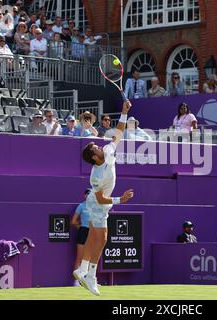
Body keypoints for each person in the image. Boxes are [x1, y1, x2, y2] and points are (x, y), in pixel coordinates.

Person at [75, 100, 135, 296]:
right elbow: (101, 200)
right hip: (98, 203)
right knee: (102, 240)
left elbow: (118, 132)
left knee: (94, 237)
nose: (99, 146)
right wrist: (121, 200)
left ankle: (82, 270)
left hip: (99, 201)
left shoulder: (108, 151)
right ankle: (91, 277)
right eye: (95, 148)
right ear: (94, 157)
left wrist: (124, 112)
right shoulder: (95, 175)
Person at [71, 188, 92, 286]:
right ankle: (76, 281)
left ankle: (89, 281)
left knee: (90, 258)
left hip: (93, 232)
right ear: (85, 195)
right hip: (83, 231)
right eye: (88, 194)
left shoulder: (96, 206)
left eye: (91, 194)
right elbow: (73, 221)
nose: (89, 195)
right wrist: (82, 226)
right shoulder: (81, 206)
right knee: (80, 257)